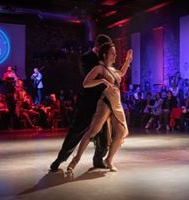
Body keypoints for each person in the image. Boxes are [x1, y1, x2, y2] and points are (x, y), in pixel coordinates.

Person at [50, 34, 112, 171]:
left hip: (103, 101)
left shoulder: (106, 61)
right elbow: (88, 80)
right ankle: (60, 159)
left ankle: (98, 159)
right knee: (76, 130)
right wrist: (104, 77)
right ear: (99, 46)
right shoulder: (86, 58)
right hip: (88, 102)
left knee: (103, 133)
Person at [67, 42, 133, 172]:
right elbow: (86, 83)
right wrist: (101, 81)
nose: (115, 56)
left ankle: (109, 159)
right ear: (105, 55)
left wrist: (127, 61)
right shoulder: (99, 69)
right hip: (106, 103)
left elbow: (121, 73)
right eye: (112, 53)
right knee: (93, 131)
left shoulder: (113, 70)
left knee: (120, 132)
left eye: (115, 53)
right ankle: (76, 159)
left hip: (117, 104)